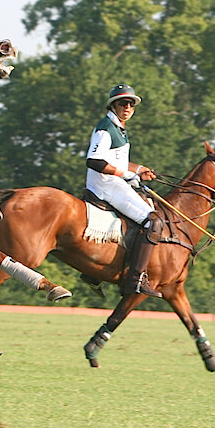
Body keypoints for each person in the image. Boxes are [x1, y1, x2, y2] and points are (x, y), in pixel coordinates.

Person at [85, 83, 163, 297]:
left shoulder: (119, 127)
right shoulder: (106, 128)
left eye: (131, 104)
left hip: (114, 182)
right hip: (105, 185)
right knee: (153, 221)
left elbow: (118, 161)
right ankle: (136, 279)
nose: (128, 107)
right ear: (113, 105)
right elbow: (95, 160)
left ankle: (96, 270)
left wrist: (139, 170)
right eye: (123, 103)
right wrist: (127, 176)